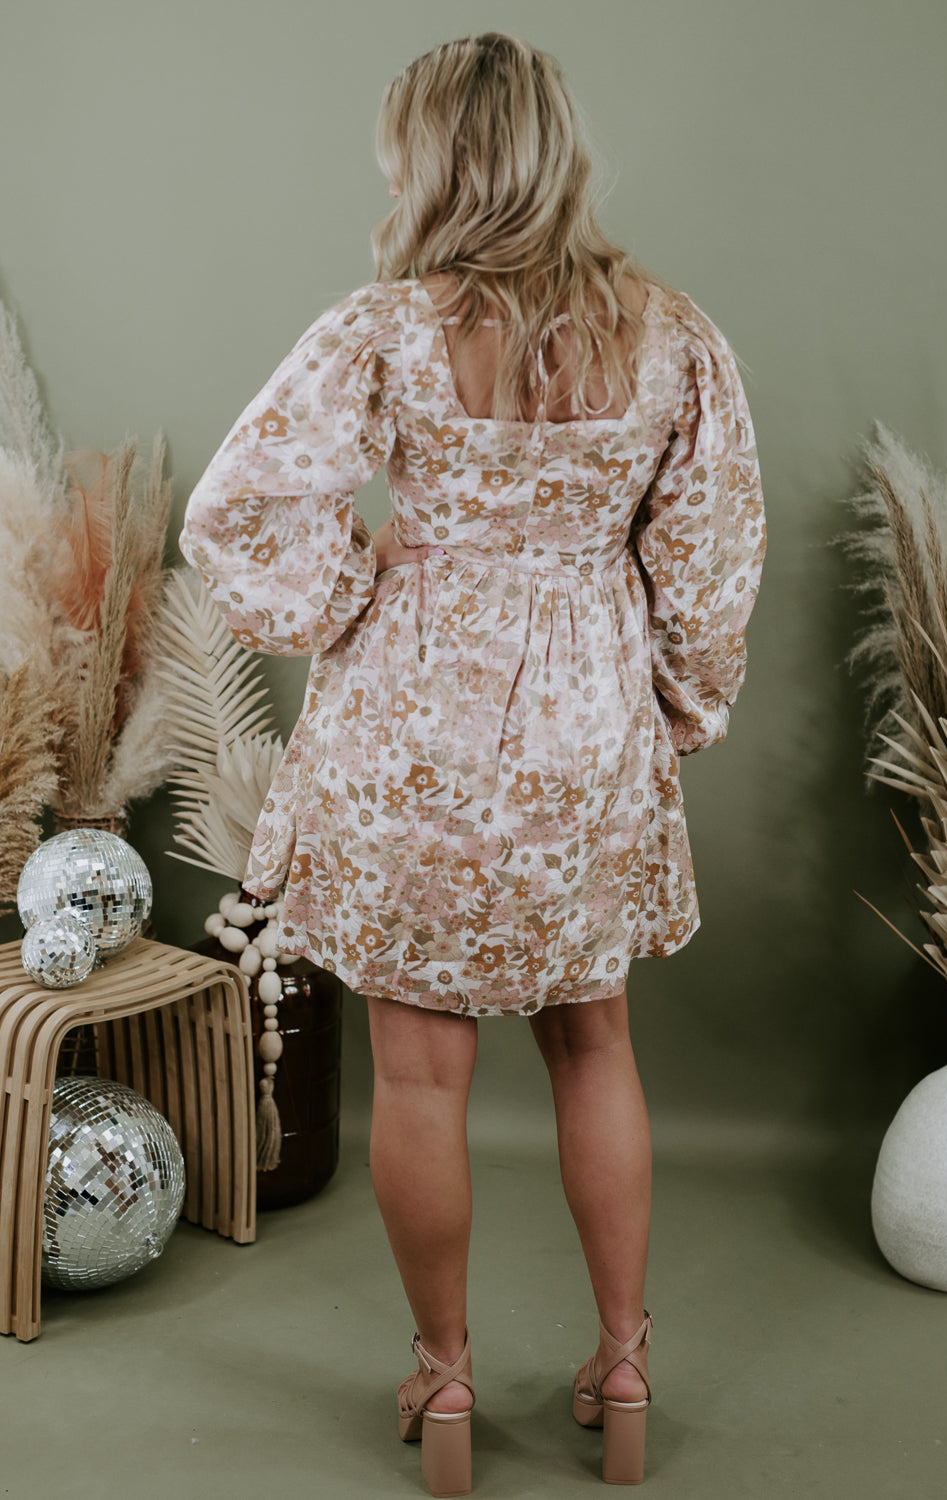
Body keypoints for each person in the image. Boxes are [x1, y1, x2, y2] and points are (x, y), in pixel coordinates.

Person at [180, 31, 765, 1496]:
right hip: (587, 729)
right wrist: (673, 708)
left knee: (420, 1072)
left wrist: (348, 588)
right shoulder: (673, 335)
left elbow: (238, 511)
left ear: (434, 164)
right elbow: (711, 564)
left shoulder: (383, 330)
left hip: (412, 728)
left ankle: (443, 1384)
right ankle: (625, 1364)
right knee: (595, 1042)